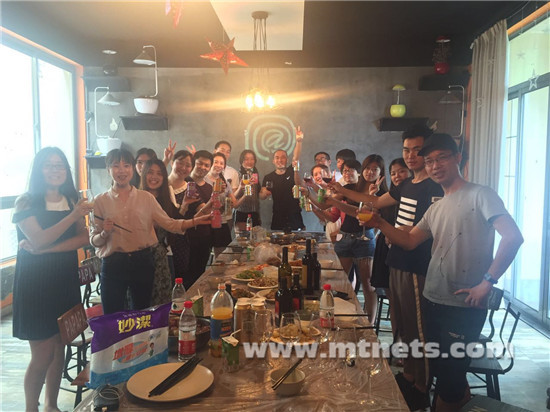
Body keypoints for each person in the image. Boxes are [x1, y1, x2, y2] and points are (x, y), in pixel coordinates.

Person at [368, 133, 523, 411]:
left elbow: (512, 237)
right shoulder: (436, 207)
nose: (434, 166)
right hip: (432, 298)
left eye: (441, 158)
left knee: (450, 379)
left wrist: (487, 282)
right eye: (429, 161)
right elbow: (410, 240)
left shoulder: (481, 194)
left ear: (457, 158)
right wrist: (380, 223)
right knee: (443, 372)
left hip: (463, 303)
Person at [330, 124, 442, 410]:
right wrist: (339, 192)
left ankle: (421, 388)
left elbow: (426, 233)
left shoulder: (435, 187)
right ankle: (409, 376)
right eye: (406, 150)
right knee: (402, 325)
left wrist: (383, 226)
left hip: (417, 265)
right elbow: (374, 201)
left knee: (418, 329)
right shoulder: (405, 184)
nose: (411, 155)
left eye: (417, 150)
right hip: (396, 261)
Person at [12, 147, 92, 412]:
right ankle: (30, 408)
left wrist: (47, 250)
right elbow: (39, 238)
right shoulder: (26, 202)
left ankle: (51, 405)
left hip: (63, 280)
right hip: (36, 285)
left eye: (60, 165)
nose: (55, 170)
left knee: (60, 346)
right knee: (42, 353)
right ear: (39, 169)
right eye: (49, 165)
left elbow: (83, 237)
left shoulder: (71, 199)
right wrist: (73, 216)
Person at [90, 149, 209, 314]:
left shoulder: (146, 198)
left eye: (126, 165)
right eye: (116, 166)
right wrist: (104, 233)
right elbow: (94, 241)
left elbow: (170, 224)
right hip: (113, 263)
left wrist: (195, 221)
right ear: (108, 169)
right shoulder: (100, 201)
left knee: (143, 314)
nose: (122, 170)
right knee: (113, 315)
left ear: (133, 169)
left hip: (142, 261)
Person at [325, 158, 378, 323]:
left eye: (375, 169)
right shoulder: (350, 188)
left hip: (364, 239)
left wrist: (372, 234)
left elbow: (369, 216)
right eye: (368, 168)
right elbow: (326, 202)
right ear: (363, 170)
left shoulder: (381, 193)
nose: (370, 172)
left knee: (368, 285)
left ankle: (369, 324)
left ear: (380, 173)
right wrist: (315, 189)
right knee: (340, 283)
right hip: (345, 237)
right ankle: (338, 320)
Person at [140, 159, 186, 306]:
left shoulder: (165, 199)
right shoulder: (136, 198)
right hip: (141, 258)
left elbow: (176, 223)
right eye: (150, 172)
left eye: (159, 173)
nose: (154, 177)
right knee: (142, 302)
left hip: (164, 256)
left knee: (162, 301)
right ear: (143, 174)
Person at [259, 127, 304, 231]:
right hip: (278, 217)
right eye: (277, 158)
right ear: (273, 161)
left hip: (294, 216)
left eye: (283, 157)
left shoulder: (292, 171)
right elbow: (261, 196)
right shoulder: (268, 177)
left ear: (287, 160)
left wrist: (299, 141)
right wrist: (264, 193)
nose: (280, 160)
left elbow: (296, 157)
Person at [204, 152, 246, 257]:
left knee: (221, 256)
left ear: (224, 166)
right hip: (205, 222)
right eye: (216, 162)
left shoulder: (225, 182)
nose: (218, 165)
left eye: (221, 163)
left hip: (221, 222)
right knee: (204, 255)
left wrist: (246, 193)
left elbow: (235, 204)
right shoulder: (204, 180)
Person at [182, 150, 214, 288]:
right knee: (187, 275)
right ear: (193, 163)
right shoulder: (186, 183)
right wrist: (213, 201)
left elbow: (212, 211)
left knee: (200, 273)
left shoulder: (209, 187)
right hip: (188, 236)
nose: (203, 167)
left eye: (207, 165)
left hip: (205, 235)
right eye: (200, 163)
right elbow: (201, 210)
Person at [166, 150, 196, 279]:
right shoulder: (160, 186)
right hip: (163, 242)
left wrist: (212, 203)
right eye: (180, 163)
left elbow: (199, 211)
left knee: (180, 277)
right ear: (172, 162)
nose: (183, 168)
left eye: (188, 165)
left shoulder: (190, 188)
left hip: (182, 241)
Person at [234, 149, 261, 230]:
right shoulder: (237, 174)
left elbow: (257, 193)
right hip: (242, 212)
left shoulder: (255, 174)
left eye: (252, 159)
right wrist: (241, 188)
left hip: (255, 211)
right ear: (241, 160)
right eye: (246, 159)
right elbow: (233, 196)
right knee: (243, 236)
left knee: (256, 237)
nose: (250, 161)